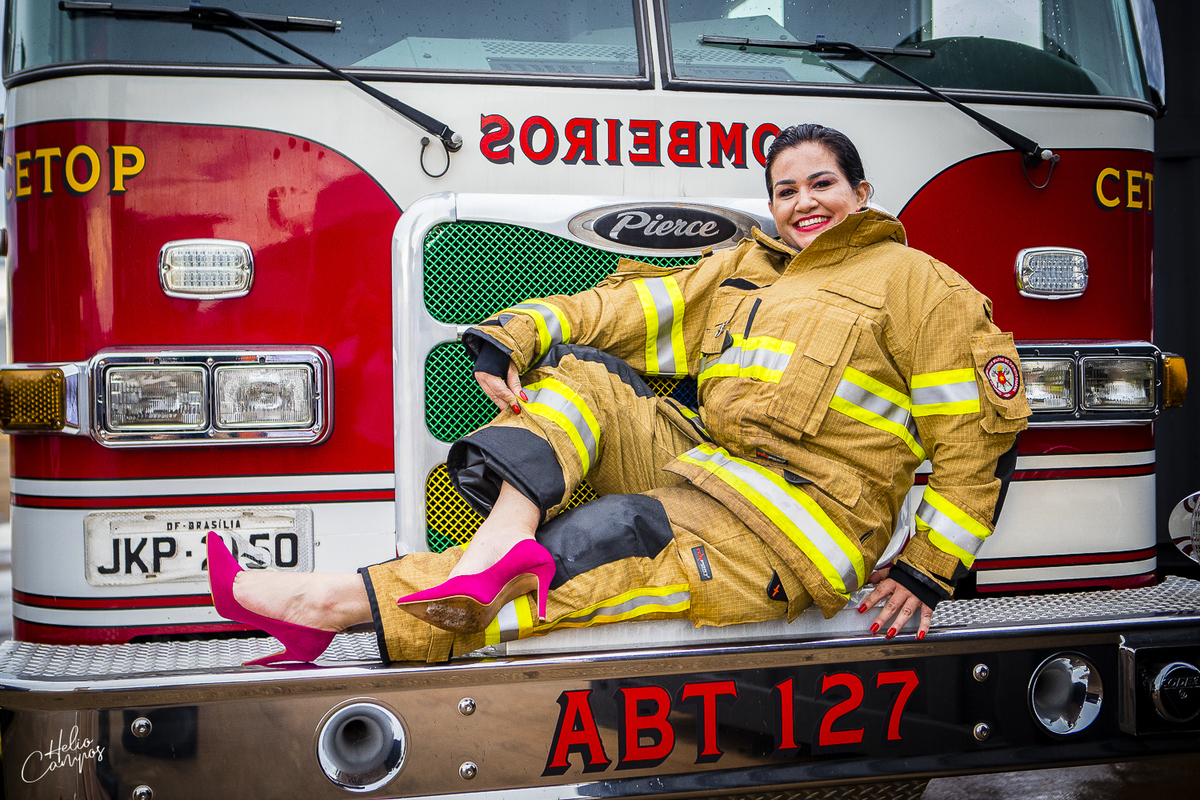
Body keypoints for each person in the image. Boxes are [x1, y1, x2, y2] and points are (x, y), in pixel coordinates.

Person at [211, 123, 1029, 666]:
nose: (803, 203)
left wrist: (928, 569)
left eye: (822, 184)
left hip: (797, 530)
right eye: (786, 191)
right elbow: (629, 309)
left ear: (861, 192)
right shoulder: (748, 269)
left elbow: (977, 442)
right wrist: (516, 332)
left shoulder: (919, 285)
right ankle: (503, 539)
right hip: (712, 468)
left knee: (606, 540)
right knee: (580, 370)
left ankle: (328, 604)